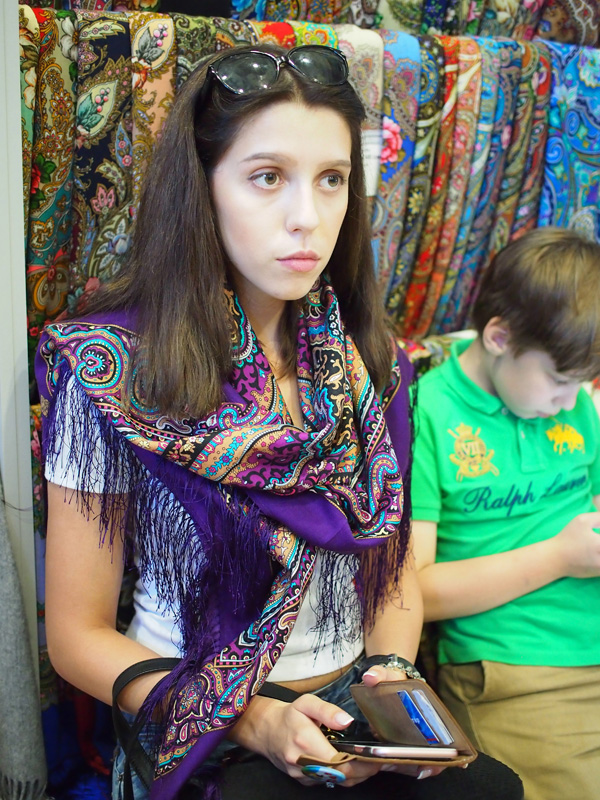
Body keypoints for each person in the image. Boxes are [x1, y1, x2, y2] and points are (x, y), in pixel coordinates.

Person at [36, 44, 522, 800]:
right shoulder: (110, 369)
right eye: (267, 177)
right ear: (201, 187)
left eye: (332, 179)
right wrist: (255, 720)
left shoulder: (369, 362)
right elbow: (75, 636)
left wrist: (393, 688)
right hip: (196, 715)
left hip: (354, 705)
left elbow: (391, 570)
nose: (308, 218)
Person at [411, 227, 600, 800]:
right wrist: (560, 557)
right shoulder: (427, 413)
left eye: (581, 384)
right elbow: (416, 593)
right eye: (559, 381)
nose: (570, 402)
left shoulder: (572, 404)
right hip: (522, 673)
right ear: (498, 337)